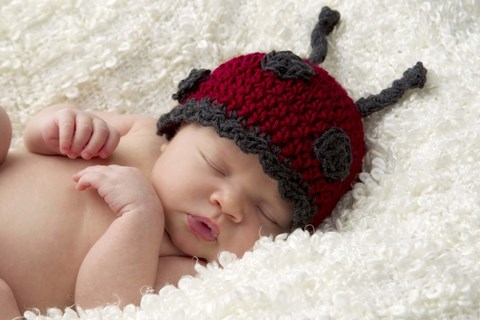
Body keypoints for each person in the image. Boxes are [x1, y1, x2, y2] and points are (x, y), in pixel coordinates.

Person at [0, 7, 427, 318]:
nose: (229, 203)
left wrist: (140, 216)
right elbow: (36, 139)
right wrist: (62, 126)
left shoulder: (191, 263)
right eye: (216, 165)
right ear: (178, 131)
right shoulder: (142, 134)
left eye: (265, 211)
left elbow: (102, 304)